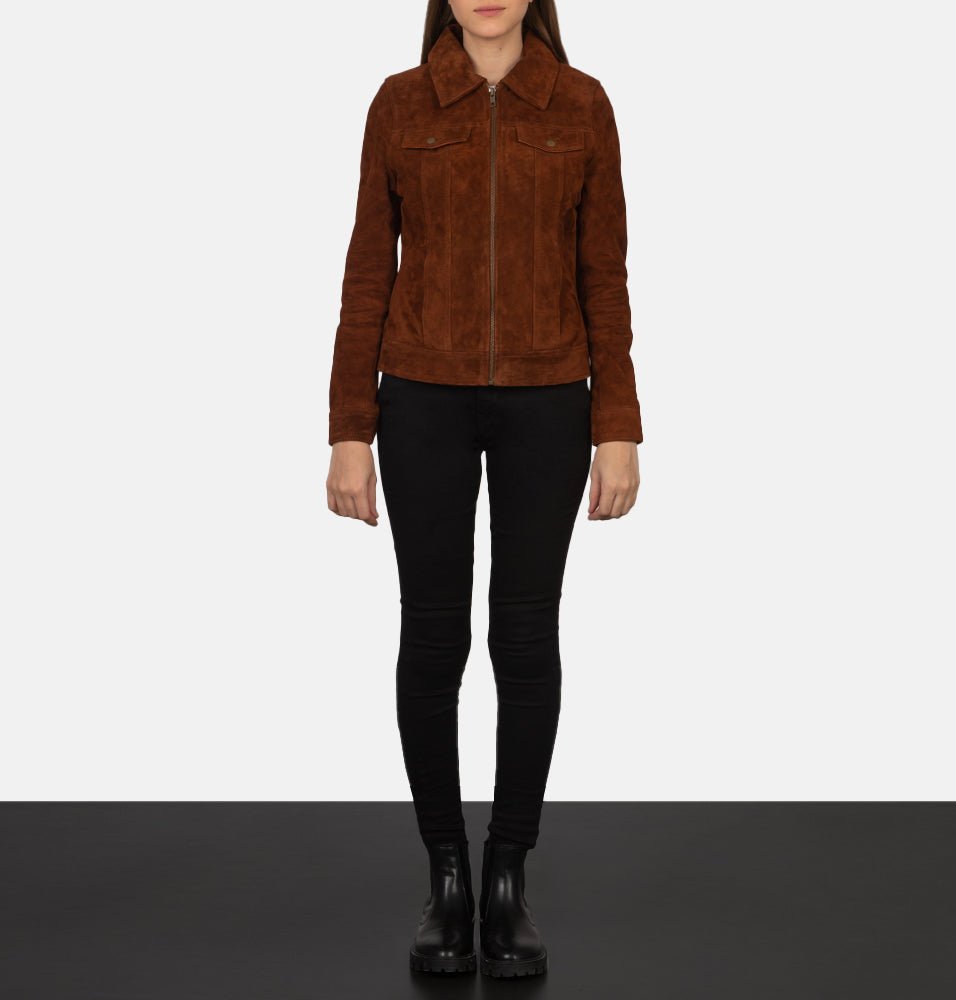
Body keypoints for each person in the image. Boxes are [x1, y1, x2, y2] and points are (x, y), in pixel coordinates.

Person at [325, 0, 642, 979]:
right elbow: (367, 271)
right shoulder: (400, 103)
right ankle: (447, 878)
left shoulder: (581, 104)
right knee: (433, 637)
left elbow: (604, 275)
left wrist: (618, 424)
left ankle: (507, 879)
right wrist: (349, 427)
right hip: (422, 398)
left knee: (525, 635)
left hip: (549, 401)